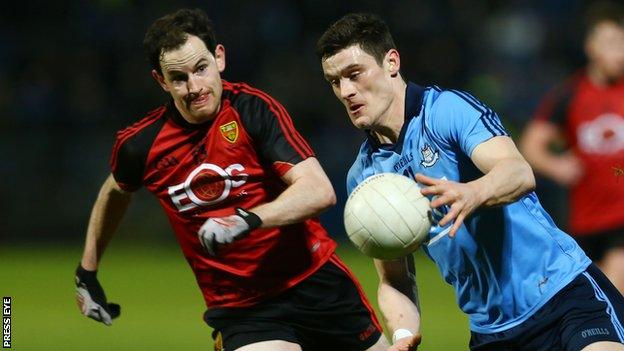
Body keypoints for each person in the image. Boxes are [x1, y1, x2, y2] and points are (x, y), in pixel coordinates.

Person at [74, 8, 389, 351]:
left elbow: (318, 191)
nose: (194, 87)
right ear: (161, 81)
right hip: (245, 310)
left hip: (316, 282)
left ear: (219, 58)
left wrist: (248, 220)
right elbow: (115, 191)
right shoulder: (140, 145)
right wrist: (87, 271)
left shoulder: (253, 110)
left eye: (201, 69)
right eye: (178, 78)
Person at [316, 12, 624, 351]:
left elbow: (518, 172)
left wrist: (473, 192)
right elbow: (395, 279)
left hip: (563, 295)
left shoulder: (446, 110)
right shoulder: (365, 176)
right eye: (335, 81)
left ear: (391, 62)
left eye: (354, 74)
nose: (346, 91)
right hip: (492, 332)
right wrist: (403, 335)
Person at [521, 1, 624, 296]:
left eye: (622, 43)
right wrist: (558, 166)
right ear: (591, 47)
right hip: (587, 216)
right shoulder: (571, 94)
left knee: (615, 287)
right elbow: (532, 143)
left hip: (621, 216)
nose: (619, 52)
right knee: (602, 298)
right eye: (611, 43)